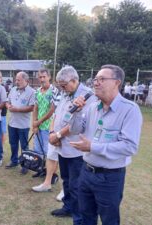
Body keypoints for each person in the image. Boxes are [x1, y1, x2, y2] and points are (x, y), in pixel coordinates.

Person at [69, 64, 143, 225]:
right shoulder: (92, 107)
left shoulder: (130, 110)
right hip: (86, 171)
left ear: (117, 82)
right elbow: (75, 130)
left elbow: (129, 146)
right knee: (86, 217)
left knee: (109, 220)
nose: (96, 82)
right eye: (95, 79)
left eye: (102, 79)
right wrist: (76, 112)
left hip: (110, 178)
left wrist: (92, 147)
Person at [45, 66, 97, 225]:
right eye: (59, 85)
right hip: (62, 147)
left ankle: (78, 218)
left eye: (64, 84)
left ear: (74, 80)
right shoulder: (66, 93)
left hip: (76, 150)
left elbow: (79, 123)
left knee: (76, 186)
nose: (61, 87)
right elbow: (57, 114)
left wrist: (58, 135)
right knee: (66, 180)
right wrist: (53, 133)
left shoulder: (87, 96)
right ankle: (68, 207)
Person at [31, 69, 59, 177]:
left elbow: (52, 109)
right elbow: (35, 107)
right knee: (38, 150)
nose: (42, 79)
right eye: (40, 77)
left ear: (49, 77)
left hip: (49, 126)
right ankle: (40, 169)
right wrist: (34, 123)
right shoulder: (37, 91)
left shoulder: (54, 91)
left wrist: (39, 121)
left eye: (44, 77)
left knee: (49, 151)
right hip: (38, 126)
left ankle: (50, 174)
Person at [5, 71, 35, 169]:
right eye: (16, 79)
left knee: (24, 146)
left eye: (19, 80)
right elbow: (7, 101)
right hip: (12, 123)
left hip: (23, 125)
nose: (16, 81)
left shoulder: (32, 92)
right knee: (13, 144)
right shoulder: (13, 89)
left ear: (26, 80)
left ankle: (25, 165)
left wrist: (17, 109)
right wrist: (9, 106)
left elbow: (31, 107)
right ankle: (14, 160)